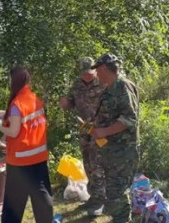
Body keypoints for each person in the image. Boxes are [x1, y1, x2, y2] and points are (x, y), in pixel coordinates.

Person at [0, 67, 53, 223]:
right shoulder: (33, 99)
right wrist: (5, 114)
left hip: (20, 160)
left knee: (14, 202)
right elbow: (25, 121)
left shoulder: (17, 103)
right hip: (38, 156)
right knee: (41, 193)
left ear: (14, 82)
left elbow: (13, 131)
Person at [90, 54, 140, 221]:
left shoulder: (123, 86)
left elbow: (130, 119)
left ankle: (122, 220)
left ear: (104, 68)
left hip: (123, 151)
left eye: (97, 69)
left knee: (117, 192)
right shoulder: (109, 88)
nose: (96, 74)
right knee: (113, 191)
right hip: (111, 150)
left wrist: (104, 132)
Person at [57, 57, 106, 213]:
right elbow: (71, 102)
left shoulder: (104, 83)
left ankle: (100, 201)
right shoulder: (77, 84)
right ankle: (92, 198)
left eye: (89, 72)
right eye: (83, 73)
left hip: (100, 130)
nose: (85, 75)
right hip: (84, 131)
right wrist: (66, 104)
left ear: (94, 70)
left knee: (98, 164)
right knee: (87, 164)